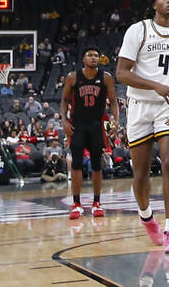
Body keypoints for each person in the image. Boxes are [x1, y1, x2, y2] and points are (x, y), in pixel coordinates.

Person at [116, 0, 169, 253]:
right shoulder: (137, 31)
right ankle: (146, 216)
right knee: (140, 173)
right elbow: (121, 73)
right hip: (139, 105)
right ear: (154, 4)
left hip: (168, 106)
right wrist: (155, 86)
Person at [62, 47, 118, 219]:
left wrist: (116, 120)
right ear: (83, 59)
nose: (94, 58)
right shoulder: (73, 77)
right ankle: (76, 204)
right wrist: (64, 121)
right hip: (77, 125)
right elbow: (64, 100)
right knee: (77, 163)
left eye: (96, 55)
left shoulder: (106, 77)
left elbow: (113, 101)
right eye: (90, 55)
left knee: (96, 163)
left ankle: (96, 202)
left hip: (96, 125)